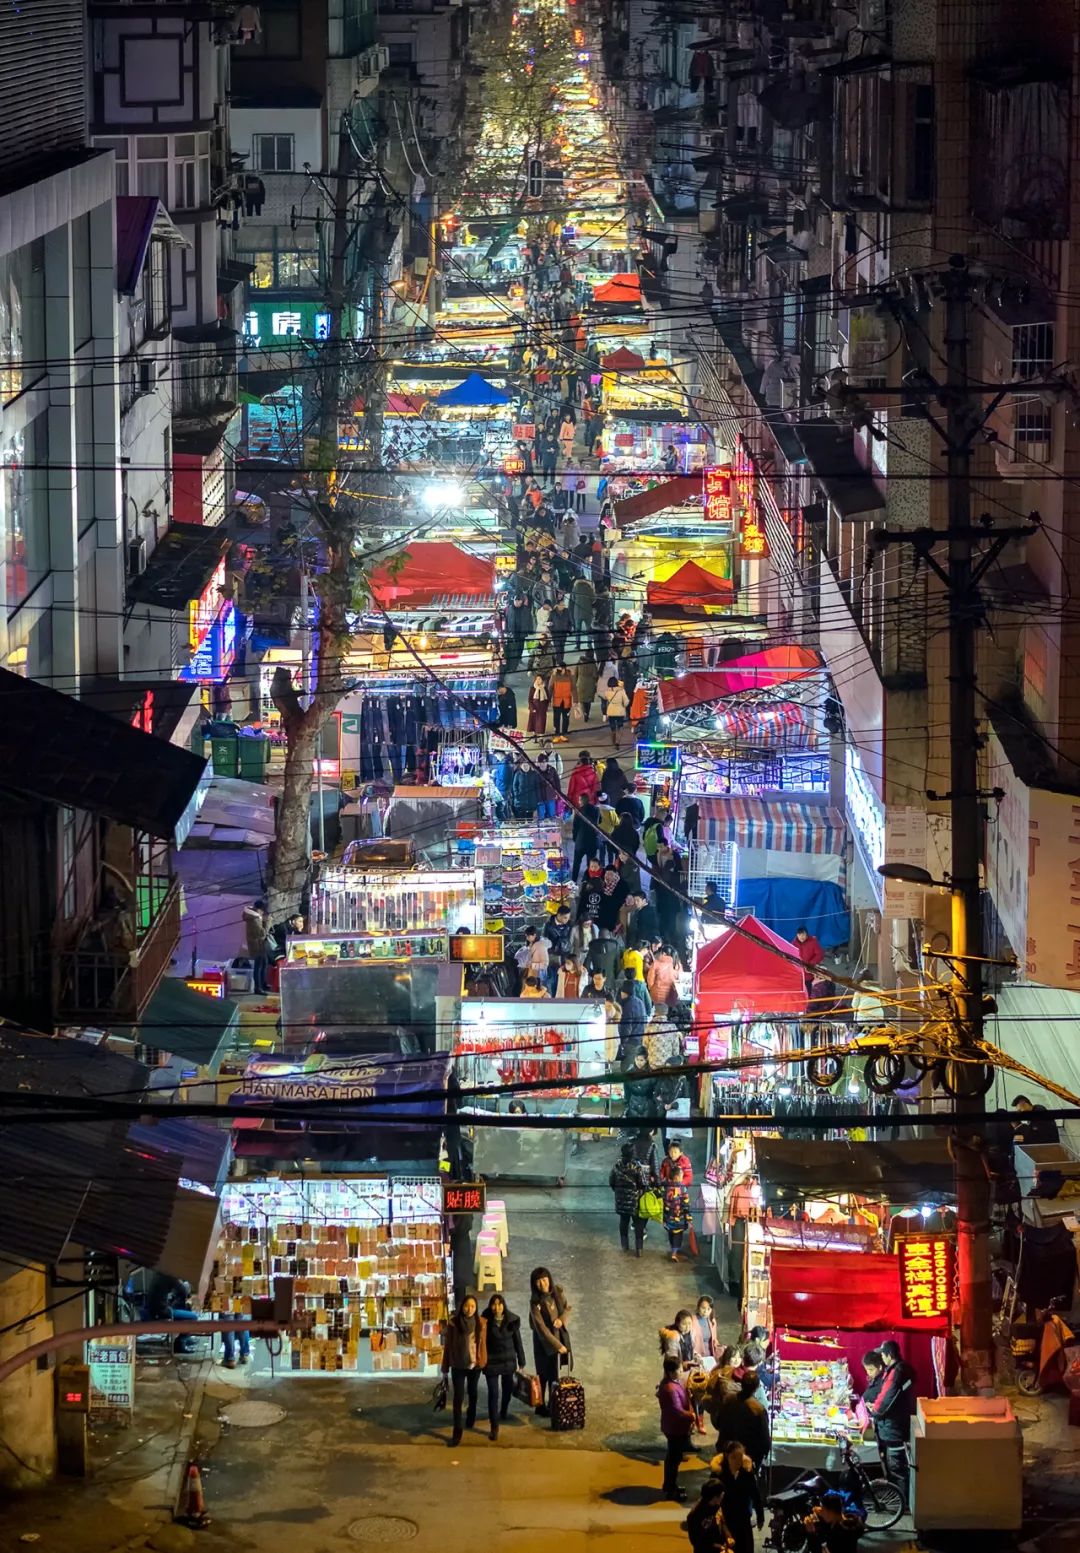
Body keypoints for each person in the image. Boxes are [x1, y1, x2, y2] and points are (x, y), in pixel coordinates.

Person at [864, 1340, 914, 1504]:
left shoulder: (896, 1373)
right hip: (896, 1423)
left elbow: (887, 1398)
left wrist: (875, 1411)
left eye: (883, 1354)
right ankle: (901, 1498)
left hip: (894, 1427)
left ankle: (903, 1502)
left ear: (889, 1355)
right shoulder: (899, 1369)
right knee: (897, 1465)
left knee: (896, 1466)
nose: (881, 1357)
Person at [442, 1294, 487, 1446]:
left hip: (475, 1365)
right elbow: (448, 1346)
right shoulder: (454, 1324)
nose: (469, 1309)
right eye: (467, 1306)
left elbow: (484, 1345)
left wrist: (484, 1361)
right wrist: (445, 1368)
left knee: (473, 1392)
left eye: (473, 1306)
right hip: (458, 1366)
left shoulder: (481, 1323)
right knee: (458, 1397)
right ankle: (457, 1431)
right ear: (462, 1307)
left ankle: (471, 1415)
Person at [482, 1293, 526, 1440]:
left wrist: (522, 1361)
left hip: (508, 1361)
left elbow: (518, 1341)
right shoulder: (485, 1321)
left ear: (504, 1305)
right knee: (493, 1393)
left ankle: (504, 1411)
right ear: (490, 1306)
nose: (497, 1307)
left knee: (507, 1390)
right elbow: (480, 1342)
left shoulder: (511, 1320)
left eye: (500, 1304)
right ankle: (494, 1426)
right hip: (491, 1361)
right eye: (494, 1304)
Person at [528, 1267, 571, 1416]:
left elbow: (567, 1308)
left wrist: (561, 1320)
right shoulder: (535, 1304)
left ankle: (553, 1405)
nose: (542, 1283)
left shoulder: (557, 1293)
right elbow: (541, 1329)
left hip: (556, 1338)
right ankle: (540, 1405)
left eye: (544, 1279)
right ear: (534, 1284)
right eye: (538, 1281)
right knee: (542, 1375)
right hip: (542, 1343)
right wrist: (558, 1346)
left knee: (553, 1375)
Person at [709, 1370, 771, 1469]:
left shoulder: (729, 1400)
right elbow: (764, 1437)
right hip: (747, 1453)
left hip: (726, 1447)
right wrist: (765, 1451)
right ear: (756, 1388)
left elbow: (718, 1421)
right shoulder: (758, 1409)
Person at [714, 1439, 764, 1553]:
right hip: (726, 1520)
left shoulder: (747, 1474)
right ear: (727, 1456)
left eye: (740, 1457)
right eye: (734, 1457)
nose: (738, 1461)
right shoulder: (719, 1475)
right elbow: (711, 1498)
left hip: (743, 1519)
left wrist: (760, 1516)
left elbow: (755, 1495)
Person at [657, 1354, 694, 1501]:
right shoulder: (670, 1389)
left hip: (672, 1426)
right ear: (671, 1372)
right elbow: (677, 1411)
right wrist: (692, 1416)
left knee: (674, 1457)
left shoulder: (669, 1382)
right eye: (679, 1369)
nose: (681, 1371)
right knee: (673, 1459)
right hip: (675, 1428)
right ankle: (670, 1487)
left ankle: (670, 1485)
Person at [609, 1140, 651, 1253]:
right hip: (634, 1201)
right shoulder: (637, 1167)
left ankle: (624, 1246)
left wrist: (619, 1192)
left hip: (621, 1200)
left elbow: (611, 1182)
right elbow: (642, 1184)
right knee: (638, 1224)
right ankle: (639, 1249)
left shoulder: (616, 1166)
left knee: (623, 1221)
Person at [145, 1271, 200, 1354]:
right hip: (161, 1311)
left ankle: (186, 1338)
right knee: (193, 1317)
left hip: (155, 1308)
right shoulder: (170, 1275)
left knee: (183, 1307)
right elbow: (183, 1290)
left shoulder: (160, 1273)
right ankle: (180, 1343)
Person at [802, 1491, 866, 1553]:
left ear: (830, 1512)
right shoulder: (849, 1523)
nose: (821, 1510)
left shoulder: (837, 1536)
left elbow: (819, 1551)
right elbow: (830, 1526)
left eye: (823, 1509)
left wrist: (811, 1534)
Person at [686, 1478, 730, 1553]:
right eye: (721, 1493)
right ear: (715, 1497)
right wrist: (719, 1547)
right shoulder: (695, 1515)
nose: (723, 1494)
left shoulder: (716, 1505)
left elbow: (721, 1521)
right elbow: (697, 1541)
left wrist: (728, 1535)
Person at [242, 899, 273, 995]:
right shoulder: (254, 919)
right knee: (258, 966)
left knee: (264, 963)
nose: (263, 913)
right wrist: (268, 922)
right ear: (259, 910)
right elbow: (262, 933)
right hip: (257, 945)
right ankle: (258, 988)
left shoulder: (256, 917)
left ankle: (263, 984)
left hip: (260, 944)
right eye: (262, 911)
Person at [586, 925, 621, 990]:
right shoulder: (615, 947)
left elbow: (586, 966)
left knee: (596, 999)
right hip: (610, 982)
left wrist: (593, 974)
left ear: (598, 936)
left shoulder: (592, 946)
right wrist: (614, 976)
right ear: (609, 936)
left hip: (596, 982)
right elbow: (618, 967)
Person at [647, 942, 680, 1008]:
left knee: (658, 1012)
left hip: (656, 995)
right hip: (670, 995)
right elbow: (680, 979)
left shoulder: (656, 964)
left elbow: (650, 980)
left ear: (663, 953)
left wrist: (651, 989)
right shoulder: (676, 964)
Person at [692, 1294, 721, 1364]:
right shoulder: (692, 1321)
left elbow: (714, 1340)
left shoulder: (712, 1321)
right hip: (697, 1357)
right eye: (703, 1308)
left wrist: (721, 1348)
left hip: (710, 1356)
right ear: (698, 1307)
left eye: (708, 1309)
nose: (705, 1312)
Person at [549, 662, 575, 740]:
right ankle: (557, 732)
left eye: (561, 669)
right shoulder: (554, 676)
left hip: (566, 701)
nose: (560, 671)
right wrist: (549, 700)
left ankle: (563, 733)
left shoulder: (570, 675)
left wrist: (576, 701)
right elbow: (550, 687)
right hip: (557, 701)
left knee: (565, 718)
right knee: (556, 717)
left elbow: (574, 688)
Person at [535, 752, 560, 819]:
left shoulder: (552, 770)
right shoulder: (535, 772)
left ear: (547, 762)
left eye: (544, 762)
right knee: (541, 818)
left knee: (552, 816)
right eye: (540, 762)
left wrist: (558, 794)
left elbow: (557, 783)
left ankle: (552, 829)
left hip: (551, 797)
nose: (542, 764)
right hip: (539, 799)